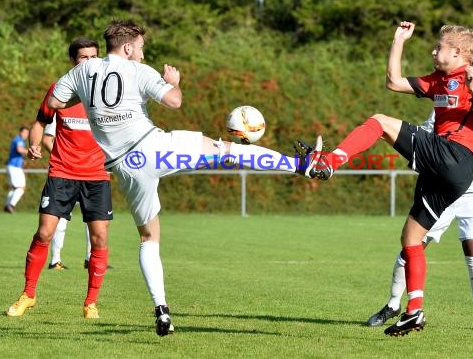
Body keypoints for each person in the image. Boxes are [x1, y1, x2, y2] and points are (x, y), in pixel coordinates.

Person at [46, 20, 311, 336]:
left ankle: (162, 311)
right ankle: (301, 166)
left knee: (148, 238)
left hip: (126, 167)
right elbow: (174, 101)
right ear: (128, 47)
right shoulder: (139, 71)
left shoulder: (81, 72)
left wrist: (89, 101)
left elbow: (54, 103)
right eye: (141, 48)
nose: (143, 55)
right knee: (226, 150)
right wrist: (172, 81)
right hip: (154, 147)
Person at [299, 21, 473, 336]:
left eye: (439, 47)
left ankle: (327, 162)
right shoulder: (438, 80)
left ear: (458, 52)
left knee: (379, 121)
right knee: (411, 238)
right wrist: (398, 41)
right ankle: (413, 311)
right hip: (448, 171)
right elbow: (394, 82)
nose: (434, 51)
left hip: (455, 156)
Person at [366, 101, 473, 333]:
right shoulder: (448, 107)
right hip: (443, 188)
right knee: (413, 244)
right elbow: (426, 137)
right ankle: (393, 305)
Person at [7, 37, 112, 320]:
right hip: (62, 172)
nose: (88, 61)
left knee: (99, 238)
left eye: (93, 56)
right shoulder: (61, 89)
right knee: (44, 233)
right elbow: (40, 122)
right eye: (82, 57)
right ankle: (28, 294)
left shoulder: (110, 90)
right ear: (73, 61)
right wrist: (34, 144)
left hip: (97, 176)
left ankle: (91, 302)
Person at [43, 116, 113, 271]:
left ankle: (91, 258)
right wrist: (66, 160)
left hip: (93, 177)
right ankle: (55, 260)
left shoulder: (98, 107)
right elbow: (48, 140)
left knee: (95, 221)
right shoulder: (61, 107)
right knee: (59, 220)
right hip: (66, 176)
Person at [5, 126, 29, 213]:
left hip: (12, 166)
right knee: (21, 188)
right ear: (20, 132)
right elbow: (19, 149)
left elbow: (16, 152)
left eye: (27, 133)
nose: (26, 135)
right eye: (24, 133)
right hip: (14, 167)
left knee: (14, 188)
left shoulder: (17, 140)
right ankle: (11, 205)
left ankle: (7, 205)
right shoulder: (18, 140)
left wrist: (21, 161)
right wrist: (31, 151)